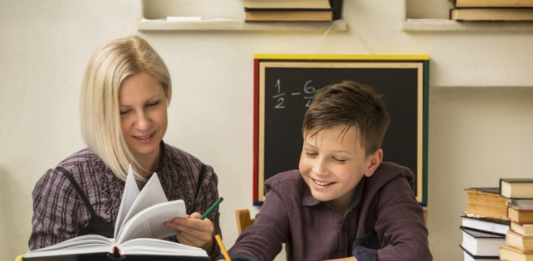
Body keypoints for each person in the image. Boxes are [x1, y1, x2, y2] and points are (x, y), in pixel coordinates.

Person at [29, 36, 222, 259]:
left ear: (167, 93)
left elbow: (218, 256)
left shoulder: (198, 177)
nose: (142, 123)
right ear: (100, 113)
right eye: (123, 111)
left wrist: (207, 246)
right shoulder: (64, 185)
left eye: (152, 104)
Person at [221, 81, 432, 261]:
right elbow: (258, 239)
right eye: (311, 153)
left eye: (339, 159)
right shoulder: (285, 190)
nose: (319, 170)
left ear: (371, 163)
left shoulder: (390, 183)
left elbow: (414, 251)